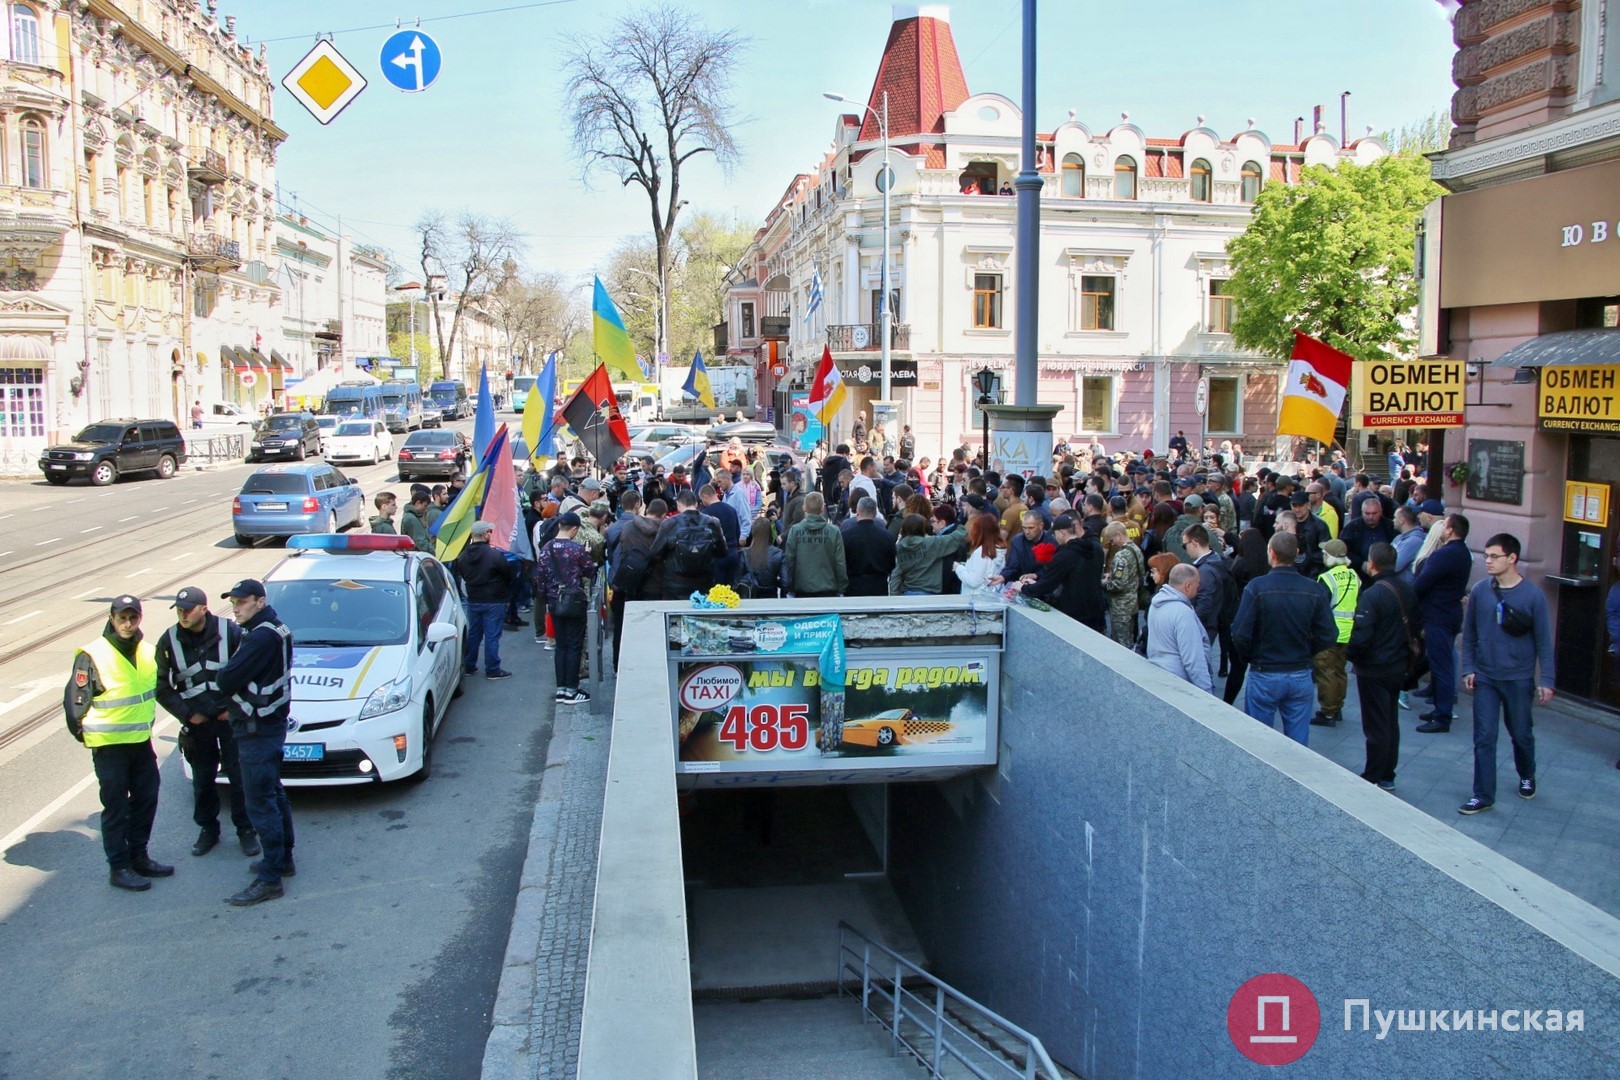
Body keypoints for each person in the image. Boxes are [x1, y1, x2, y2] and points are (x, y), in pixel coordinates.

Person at [64, 595, 174, 891]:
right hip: (109, 746)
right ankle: (119, 867)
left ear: (140, 619)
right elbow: (75, 704)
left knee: (147, 798)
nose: (127, 624)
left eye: (132, 618)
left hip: (140, 743)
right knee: (116, 807)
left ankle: (139, 856)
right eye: (122, 618)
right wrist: (89, 737)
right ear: (111, 619)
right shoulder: (93, 654)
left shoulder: (148, 652)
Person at [155, 586, 258, 858]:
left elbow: (250, 674)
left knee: (239, 777)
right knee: (202, 780)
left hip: (229, 720)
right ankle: (208, 829)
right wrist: (188, 715)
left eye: (188, 610)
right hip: (198, 724)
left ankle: (246, 829)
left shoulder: (231, 632)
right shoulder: (169, 641)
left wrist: (232, 709)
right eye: (179, 610)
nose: (183, 615)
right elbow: (162, 687)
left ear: (203, 608)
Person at [1457, 534, 1554, 814]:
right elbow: (1470, 633)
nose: (1487, 561)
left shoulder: (1532, 596)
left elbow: (1543, 641)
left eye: (1494, 556)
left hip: (1518, 678)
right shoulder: (1480, 591)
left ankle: (1527, 774)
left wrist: (1547, 680)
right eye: (1486, 556)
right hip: (1486, 677)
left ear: (1512, 558)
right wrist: (1469, 668)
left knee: (1521, 734)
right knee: (1484, 736)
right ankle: (1483, 795)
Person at [214, 579, 295, 906]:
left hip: (256, 729)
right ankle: (283, 859)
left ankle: (270, 878)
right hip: (269, 726)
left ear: (260, 602)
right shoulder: (276, 628)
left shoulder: (260, 637)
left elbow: (225, 679)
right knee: (273, 793)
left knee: (261, 803)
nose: (235, 608)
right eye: (233, 602)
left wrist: (228, 678)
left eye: (242, 602)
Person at [1230, 532, 1339, 746]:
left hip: (1265, 671)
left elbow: (1239, 633)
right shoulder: (1313, 589)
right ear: (1296, 553)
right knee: (1298, 743)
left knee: (1258, 740)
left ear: (1271, 553)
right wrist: (1308, 651)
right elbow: (1329, 634)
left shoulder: (1257, 587)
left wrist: (1252, 655)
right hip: (1299, 672)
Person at [1347, 543, 1418, 791]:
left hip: (1374, 668)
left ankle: (1373, 774)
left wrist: (1350, 654)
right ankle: (1388, 773)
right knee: (1390, 720)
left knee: (1375, 724)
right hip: (1398, 665)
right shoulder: (1406, 588)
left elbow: (1361, 637)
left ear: (1372, 563)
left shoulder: (1372, 594)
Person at [1412, 513, 1473, 733]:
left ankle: (1442, 716)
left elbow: (1422, 583)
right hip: (1450, 614)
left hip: (1438, 616)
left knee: (1442, 667)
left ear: (1450, 530)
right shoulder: (1464, 553)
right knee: (1440, 664)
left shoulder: (1445, 554)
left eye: (1445, 525)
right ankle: (1439, 708)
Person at [536, 512, 597, 705]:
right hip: (573, 600)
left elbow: (540, 578)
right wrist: (588, 555)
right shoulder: (577, 549)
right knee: (574, 645)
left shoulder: (546, 548)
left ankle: (561, 689)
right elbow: (589, 571)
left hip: (554, 601)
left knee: (560, 645)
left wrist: (546, 599)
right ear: (574, 529)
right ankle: (572, 690)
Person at [1011, 514, 1106, 631]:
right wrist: (1036, 582)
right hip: (1095, 609)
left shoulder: (1065, 555)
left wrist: (1023, 587)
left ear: (1062, 533)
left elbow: (1046, 586)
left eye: (1055, 534)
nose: (1054, 538)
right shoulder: (1093, 548)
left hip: (1075, 614)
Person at [455, 520, 516, 680]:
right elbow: (508, 575)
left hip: (474, 599)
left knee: (474, 634)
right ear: (485, 534)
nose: (491, 534)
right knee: (492, 635)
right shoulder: (495, 555)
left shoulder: (463, 556)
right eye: (490, 532)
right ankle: (492, 669)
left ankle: (469, 665)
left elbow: (462, 574)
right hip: (494, 600)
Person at [1310, 539, 1360, 727]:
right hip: (1348, 631)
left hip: (1329, 633)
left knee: (1326, 673)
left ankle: (1328, 712)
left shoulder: (1327, 578)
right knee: (1340, 672)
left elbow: (1320, 608)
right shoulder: (1354, 575)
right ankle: (1337, 707)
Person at [1146, 564, 1214, 693]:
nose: (1199, 586)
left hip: (1160, 676)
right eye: (1197, 583)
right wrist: (1207, 693)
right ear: (1188, 586)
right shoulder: (1183, 613)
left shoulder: (1156, 604)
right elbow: (1193, 660)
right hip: (1180, 685)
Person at [653, 489, 727, 598]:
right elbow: (722, 552)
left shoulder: (669, 524)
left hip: (675, 582)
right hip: (704, 581)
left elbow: (656, 552)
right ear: (696, 504)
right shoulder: (712, 522)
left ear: (678, 504)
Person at [784, 491, 848, 598]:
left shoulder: (795, 531)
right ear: (823, 509)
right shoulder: (834, 531)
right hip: (828, 588)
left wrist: (790, 587)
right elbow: (840, 562)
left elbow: (789, 560)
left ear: (804, 508)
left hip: (801, 588)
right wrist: (842, 587)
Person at [890, 511, 969, 596]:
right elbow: (954, 538)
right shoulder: (931, 543)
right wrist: (960, 523)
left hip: (908, 592)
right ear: (923, 527)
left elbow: (896, 573)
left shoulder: (900, 547)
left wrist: (895, 595)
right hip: (929, 594)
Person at [842, 496, 897, 597]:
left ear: (857, 511)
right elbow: (892, 563)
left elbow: (842, 562)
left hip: (854, 586)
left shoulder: (846, 536)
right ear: (875, 513)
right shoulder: (886, 536)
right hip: (879, 586)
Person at [1102, 521, 1144, 648]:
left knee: (1120, 643)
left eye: (1112, 539)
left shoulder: (1121, 556)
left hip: (1120, 607)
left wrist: (1103, 583)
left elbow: (1118, 585)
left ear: (1119, 535)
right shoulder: (1136, 549)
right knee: (1130, 638)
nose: (1112, 543)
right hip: (1132, 602)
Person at [953, 512, 1005, 597]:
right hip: (992, 597)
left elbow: (974, 581)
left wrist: (958, 568)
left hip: (975, 598)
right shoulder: (1000, 550)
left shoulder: (981, 552)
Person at [738, 518, 785, 598]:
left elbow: (738, 579)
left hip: (750, 597)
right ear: (769, 533)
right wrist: (775, 582)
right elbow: (785, 582)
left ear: (753, 532)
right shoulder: (778, 553)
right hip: (771, 596)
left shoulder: (744, 554)